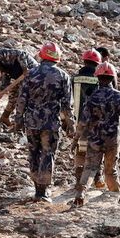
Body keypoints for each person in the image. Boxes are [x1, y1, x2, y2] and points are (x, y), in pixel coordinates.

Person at [15, 42, 73, 201]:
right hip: (51, 123)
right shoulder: (63, 76)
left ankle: (36, 189)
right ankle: (43, 190)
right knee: (48, 154)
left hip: (32, 122)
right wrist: (71, 125)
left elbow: (21, 99)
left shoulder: (31, 74)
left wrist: (18, 119)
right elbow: (68, 105)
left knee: (33, 152)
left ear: (42, 55)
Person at [72, 63, 120, 207]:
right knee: (111, 170)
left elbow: (83, 121)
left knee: (90, 168)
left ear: (97, 77)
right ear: (112, 78)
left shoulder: (92, 97)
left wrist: (76, 139)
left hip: (95, 138)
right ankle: (115, 197)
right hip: (113, 139)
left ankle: (81, 193)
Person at [0, 41, 34, 131]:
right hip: (19, 77)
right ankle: (5, 117)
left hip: (31, 72)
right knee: (13, 95)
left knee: (23, 98)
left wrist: (24, 69)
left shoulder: (0, 53)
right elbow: (6, 74)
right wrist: (1, 91)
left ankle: (21, 125)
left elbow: (21, 54)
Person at [70, 49, 104, 189]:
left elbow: (67, 101)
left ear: (84, 61)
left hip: (78, 123)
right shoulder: (100, 81)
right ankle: (98, 179)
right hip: (97, 124)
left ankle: (79, 180)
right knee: (96, 151)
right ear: (98, 64)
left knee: (80, 150)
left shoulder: (73, 79)